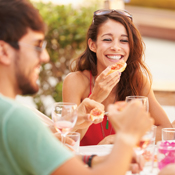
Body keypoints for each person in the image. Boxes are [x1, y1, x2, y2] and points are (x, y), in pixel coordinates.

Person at [0, 0, 154, 174]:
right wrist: (126, 139)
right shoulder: (14, 117)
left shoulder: (10, 115)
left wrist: (94, 159)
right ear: (4, 52)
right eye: (37, 45)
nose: (45, 56)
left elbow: (47, 155)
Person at [62, 9, 172, 146]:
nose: (115, 47)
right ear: (93, 45)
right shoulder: (75, 81)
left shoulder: (137, 81)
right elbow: (68, 139)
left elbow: (167, 130)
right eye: (107, 39)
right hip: (84, 164)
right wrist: (95, 97)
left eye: (124, 40)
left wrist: (121, 139)